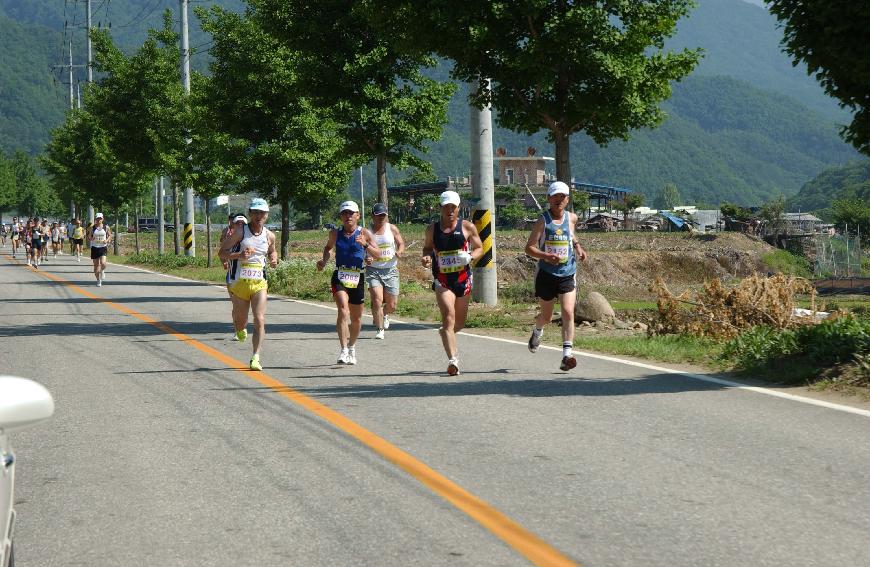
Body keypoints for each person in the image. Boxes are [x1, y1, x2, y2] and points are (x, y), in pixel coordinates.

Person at [525, 181, 589, 371]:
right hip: (546, 273)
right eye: (555, 196)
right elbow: (529, 248)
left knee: (568, 312)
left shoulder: (572, 218)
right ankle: (538, 331)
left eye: (562, 197)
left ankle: (567, 355)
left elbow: (571, 235)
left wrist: (578, 247)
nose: (558, 200)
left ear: (567, 199)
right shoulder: (542, 221)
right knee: (546, 315)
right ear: (548, 199)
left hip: (567, 272)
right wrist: (546, 256)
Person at [421, 190, 483, 376]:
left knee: (459, 323)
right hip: (443, 279)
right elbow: (427, 247)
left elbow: (480, 247)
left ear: (458, 208)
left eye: (453, 207)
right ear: (440, 208)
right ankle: (453, 360)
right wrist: (426, 257)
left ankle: (446, 333)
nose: (449, 211)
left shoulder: (467, 227)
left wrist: (470, 256)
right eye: (446, 207)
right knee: (448, 315)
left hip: (463, 280)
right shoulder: (432, 229)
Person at [317, 200, 380, 365]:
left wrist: (365, 245)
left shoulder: (364, 233)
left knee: (357, 319)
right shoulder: (335, 234)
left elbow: (378, 254)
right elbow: (327, 248)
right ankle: (344, 349)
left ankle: (352, 346)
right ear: (341, 216)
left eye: (351, 213)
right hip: (340, 275)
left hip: (357, 277)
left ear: (358, 215)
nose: (348, 216)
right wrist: (323, 261)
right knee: (343, 310)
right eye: (344, 213)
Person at [219, 198, 278, 371]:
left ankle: (255, 357)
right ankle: (239, 329)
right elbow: (222, 252)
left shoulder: (270, 235)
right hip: (239, 283)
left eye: (262, 213)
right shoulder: (240, 232)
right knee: (240, 321)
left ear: (267, 215)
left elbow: (272, 251)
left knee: (259, 319)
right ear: (250, 214)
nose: (259, 216)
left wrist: (274, 259)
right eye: (255, 212)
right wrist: (239, 255)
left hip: (259, 283)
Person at [365, 202, 405, 340]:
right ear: (372, 216)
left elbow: (401, 243)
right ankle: (380, 329)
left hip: (390, 270)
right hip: (373, 271)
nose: (381, 218)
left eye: (384, 215)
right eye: (378, 215)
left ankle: (383, 314)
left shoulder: (392, 229)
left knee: (392, 305)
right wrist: (367, 258)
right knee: (377, 300)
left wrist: (399, 251)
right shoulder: (367, 232)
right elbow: (361, 249)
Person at [88, 213, 111, 286]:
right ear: (95, 219)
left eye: (100, 218)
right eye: (97, 218)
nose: (99, 220)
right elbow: (89, 237)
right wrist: (91, 238)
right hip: (95, 247)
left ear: (103, 219)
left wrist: (107, 240)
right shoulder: (92, 227)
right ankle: (98, 280)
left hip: (103, 247)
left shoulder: (106, 227)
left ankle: (102, 270)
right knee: (96, 266)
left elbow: (110, 235)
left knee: (103, 263)